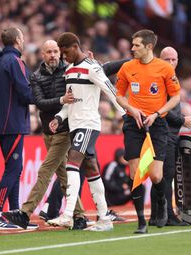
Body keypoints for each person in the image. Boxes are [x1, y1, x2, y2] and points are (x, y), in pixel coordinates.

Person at [2, 40, 128, 230]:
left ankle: (33, 214)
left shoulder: (77, 67)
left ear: (68, 50)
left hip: (76, 129)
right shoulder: (43, 75)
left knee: (56, 168)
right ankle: (86, 217)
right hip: (54, 129)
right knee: (74, 174)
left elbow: (105, 77)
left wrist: (126, 112)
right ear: (42, 55)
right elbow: (44, 102)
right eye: (50, 52)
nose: (55, 55)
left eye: (58, 52)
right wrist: (59, 117)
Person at [47, 32, 125, 231]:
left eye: (65, 52)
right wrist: (59, 117)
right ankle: (105, 219)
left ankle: (67, 215)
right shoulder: (69, 71)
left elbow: (111, 91)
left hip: (88, 124)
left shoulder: (93, 68)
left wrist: (126, 113)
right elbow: (69, 101)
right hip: (74, 124)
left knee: (72, 163)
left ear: (75, 46)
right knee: (91, 169)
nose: (64, 57)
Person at [115, 29, 181, 234]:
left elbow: (175, 97)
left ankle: (161, 202)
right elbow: (118, 95)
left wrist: (157, 113)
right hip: (134, 123)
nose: (132, 48)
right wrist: (131, 109)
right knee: (135, 174)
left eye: (136, 45)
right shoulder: (127, 68)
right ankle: (141, 222)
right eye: (132, 45)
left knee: (155, 175)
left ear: (149, 47)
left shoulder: (164, 69)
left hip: (157, 124)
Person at [0, 27, 36, 230]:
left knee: (16, 168)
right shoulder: (15, 62)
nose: (23, 41)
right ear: (17, 40)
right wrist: (49, 98)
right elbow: (26, 93)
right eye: (22, 37)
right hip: (13, 123)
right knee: (13, 169)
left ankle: (14, 213)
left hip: (2, 123)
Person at [149, 46, 191, 227]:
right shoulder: (161, 79)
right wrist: (182, 119)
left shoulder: (168, 78)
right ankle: (168, 215)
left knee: (159, 177)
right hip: (165, 134)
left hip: (165, 133)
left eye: (173, 60)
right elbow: (162, 109)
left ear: (177, 61)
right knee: (166, 176)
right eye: (166, 59)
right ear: (160, 60)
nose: (170, 63)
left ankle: (156, 215)